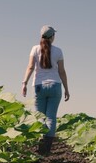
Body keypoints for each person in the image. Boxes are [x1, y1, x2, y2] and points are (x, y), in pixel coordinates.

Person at [22, 25, 70, 155]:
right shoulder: (58, 51)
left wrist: (24, 82)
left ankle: (40, 147)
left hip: (39, 86)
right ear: (52, 37)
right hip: (55, 86)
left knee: (39, 118)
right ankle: (46, 150)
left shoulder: (35, 49)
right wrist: (66, 88)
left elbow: (30, 67)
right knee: (51, 118)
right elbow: (62, 71)